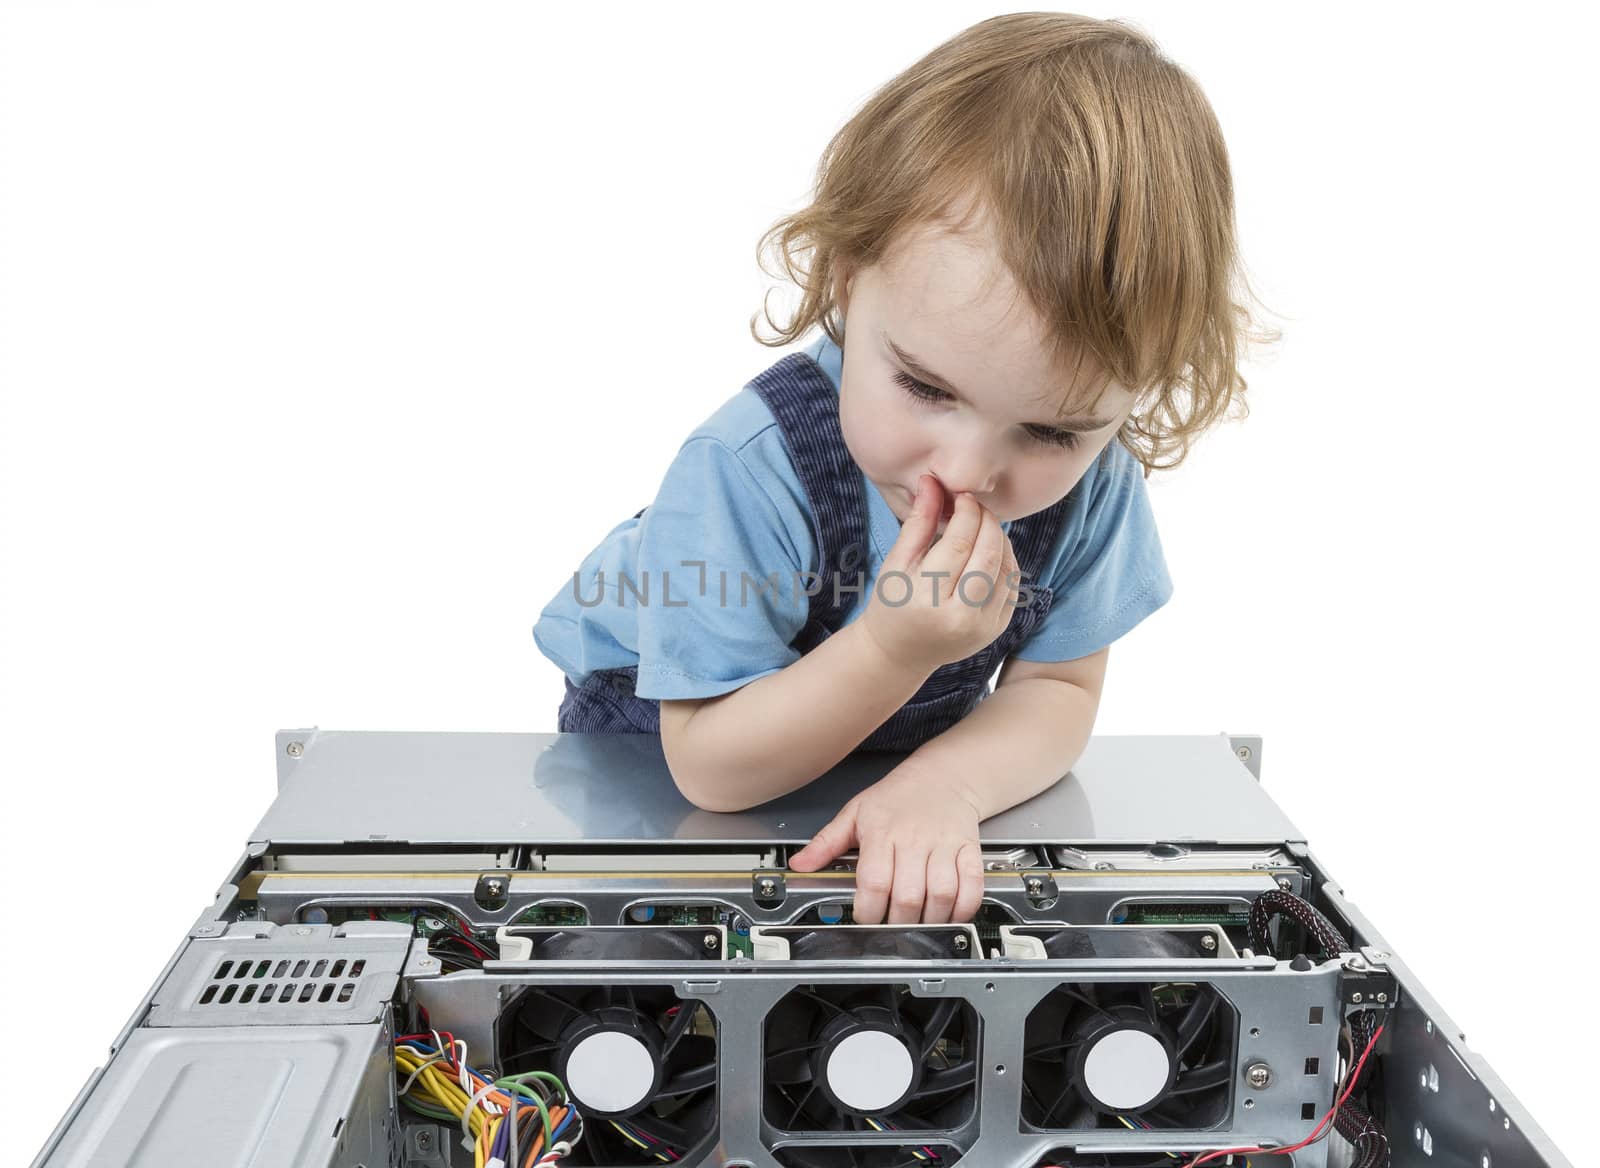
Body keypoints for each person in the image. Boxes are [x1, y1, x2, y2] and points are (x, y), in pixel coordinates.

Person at [532, 13, 1276, 926]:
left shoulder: (1094, 491)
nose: (967, 473)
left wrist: (943, 788)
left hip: (882, 765)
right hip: (666, 760)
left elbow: (1058, 691)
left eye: (1050, 433)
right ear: (848, 280)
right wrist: (893, 646)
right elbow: (712, 769)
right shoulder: (742, 470)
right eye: (925, 386)